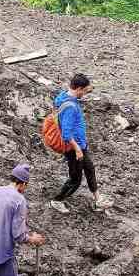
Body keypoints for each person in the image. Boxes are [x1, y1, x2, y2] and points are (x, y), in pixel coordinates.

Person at [50, 74, 102, 213]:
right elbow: (66, 134)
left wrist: (89, 88)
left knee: (90, 169)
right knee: (75, 179)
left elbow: (79, 90)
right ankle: (57, 200)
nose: (84, 94)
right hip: (74, 148)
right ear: (78, 89)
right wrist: (77, 149)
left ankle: (98, 200)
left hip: (81, 144)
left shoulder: (64, 96)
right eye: (84, 91)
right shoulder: (71, 108)